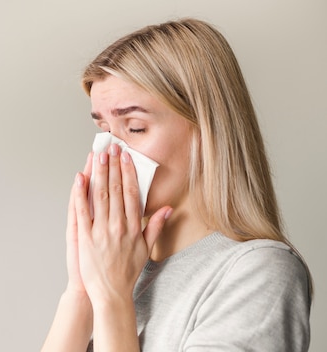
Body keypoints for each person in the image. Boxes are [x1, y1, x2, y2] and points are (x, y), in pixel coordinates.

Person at [41, 18, 312, 352]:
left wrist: (113, 299)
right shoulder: (121, 267)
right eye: (105, 129)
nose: (108, 151)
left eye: (135, 128)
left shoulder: (258, 273)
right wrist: (81, 290)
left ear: (206, 133)